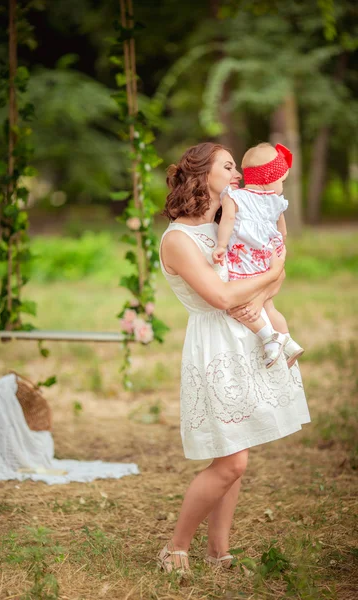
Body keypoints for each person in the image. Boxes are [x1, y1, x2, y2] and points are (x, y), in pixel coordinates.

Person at [157, 142, 310, 575]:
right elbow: (222, 295)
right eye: (229, 166)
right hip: (216, 348)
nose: (239, 173)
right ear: (203, 175)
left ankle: (219, 553)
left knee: (234, 455)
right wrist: (270, 275)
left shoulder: (233, 218)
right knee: (232, 460)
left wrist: (263, 289)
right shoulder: (179, 239)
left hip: (249, 335)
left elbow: (273, 263)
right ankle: (176, 547)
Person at [212, 142, 304, 369]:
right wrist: (278, 248)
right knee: (268, 306)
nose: (281, 185)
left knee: (240, 309)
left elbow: (229, 221)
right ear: (268, 179)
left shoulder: (235, 197)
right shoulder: (275, 201)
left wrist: (222, 245)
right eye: (281, 180)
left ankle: (269, 338)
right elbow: (282, 232)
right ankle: (288, 341)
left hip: (246, 262)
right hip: (266, 258)